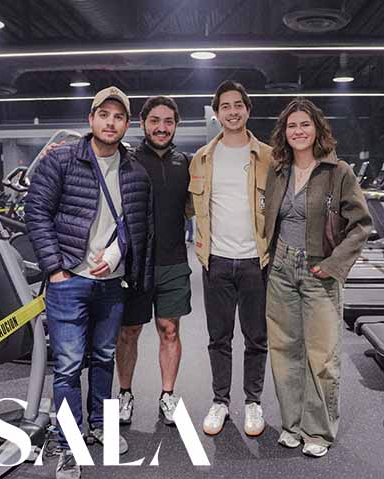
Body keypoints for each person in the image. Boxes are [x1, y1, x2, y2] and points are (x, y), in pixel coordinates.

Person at [25, 86, 154, 479]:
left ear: (126, 124)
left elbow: (137, 224)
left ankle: (101, 425)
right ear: (91, 119)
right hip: (68, 281)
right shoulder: (61, 160)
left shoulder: (135, 172)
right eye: (104, 115)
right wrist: (55, 269)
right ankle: (68, 444)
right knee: (67, 366)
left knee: (103, 358)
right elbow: (36, 213)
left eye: (119, 117)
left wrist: (116, 255)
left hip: (112, 284)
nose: (110, 123)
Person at [264, 98, 371, 457]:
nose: (298, 131)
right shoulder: (278, 171)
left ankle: (318, 432)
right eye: (292, 126)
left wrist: (333, 264)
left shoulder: (338, 172)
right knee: (284, 351)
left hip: (318, 271)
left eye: (304, 124)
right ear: (284, 132)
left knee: (322, 355)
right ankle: (292, 425)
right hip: (281, 270)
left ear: (317, 129)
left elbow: (361, 225)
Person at [187, 80, 272, 437]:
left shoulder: (269, 157)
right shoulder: (202, 158)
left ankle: (253, 401)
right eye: (225, 106)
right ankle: (220, 401)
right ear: (217, 113)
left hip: (256, 261)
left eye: (238, 105)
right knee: (218, 338)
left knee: (256, 337)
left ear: (248, 110)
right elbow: (191, 207)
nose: (232, 111)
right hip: (217, 262)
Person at [115, 96, 192, 426]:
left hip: (174, 261)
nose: (162, 127)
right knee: (129, 331)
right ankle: (125, 393)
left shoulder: (185, 163)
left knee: (169, 330)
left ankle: (167, 395)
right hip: (136, 263)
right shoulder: (127, 161)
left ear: (176, 125)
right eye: (155, 121)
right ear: (143, 123)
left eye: (168, 121)